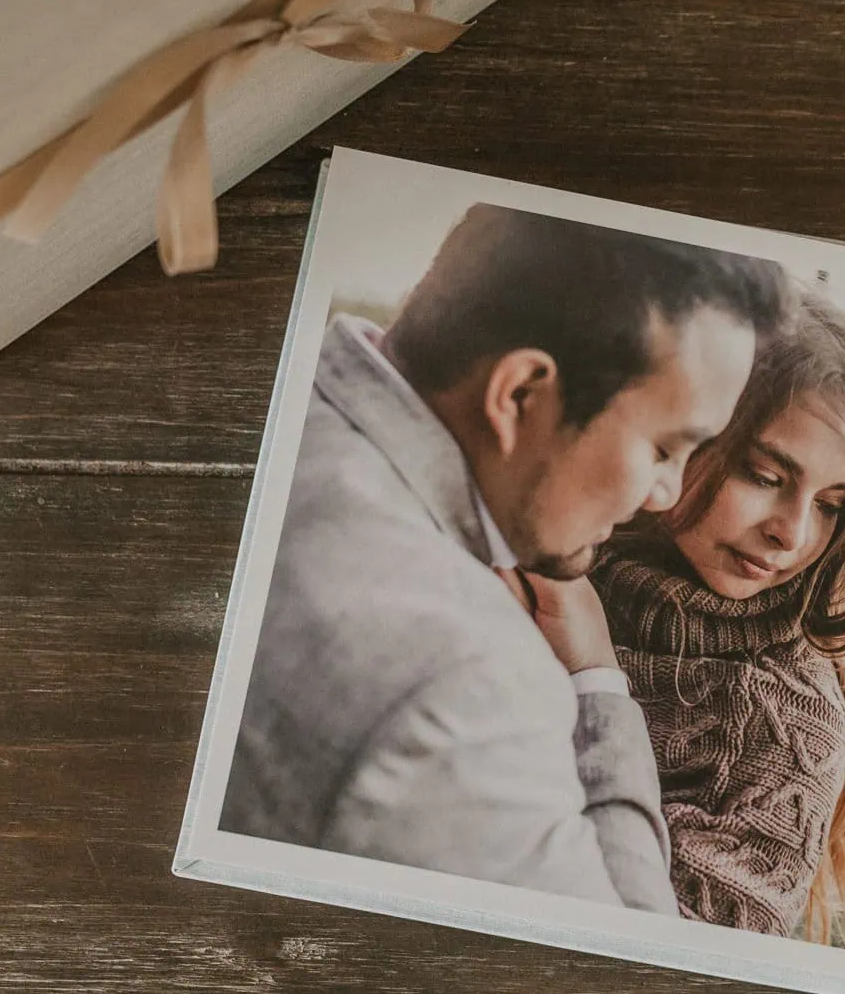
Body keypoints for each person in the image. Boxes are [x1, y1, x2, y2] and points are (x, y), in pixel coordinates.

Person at [219, 204, 790, 913]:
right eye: (664, 448)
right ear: (519, 393)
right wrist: (598, 686)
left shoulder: (258, 410)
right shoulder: (466, 688)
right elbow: (626, 961)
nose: (664, 493)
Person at [589, 292, 845, 944]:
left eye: (833, 504)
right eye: (762, 474)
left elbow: (662, 961)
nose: (793, 532)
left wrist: (591, 677)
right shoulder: (558, 547)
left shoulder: (781, 722)